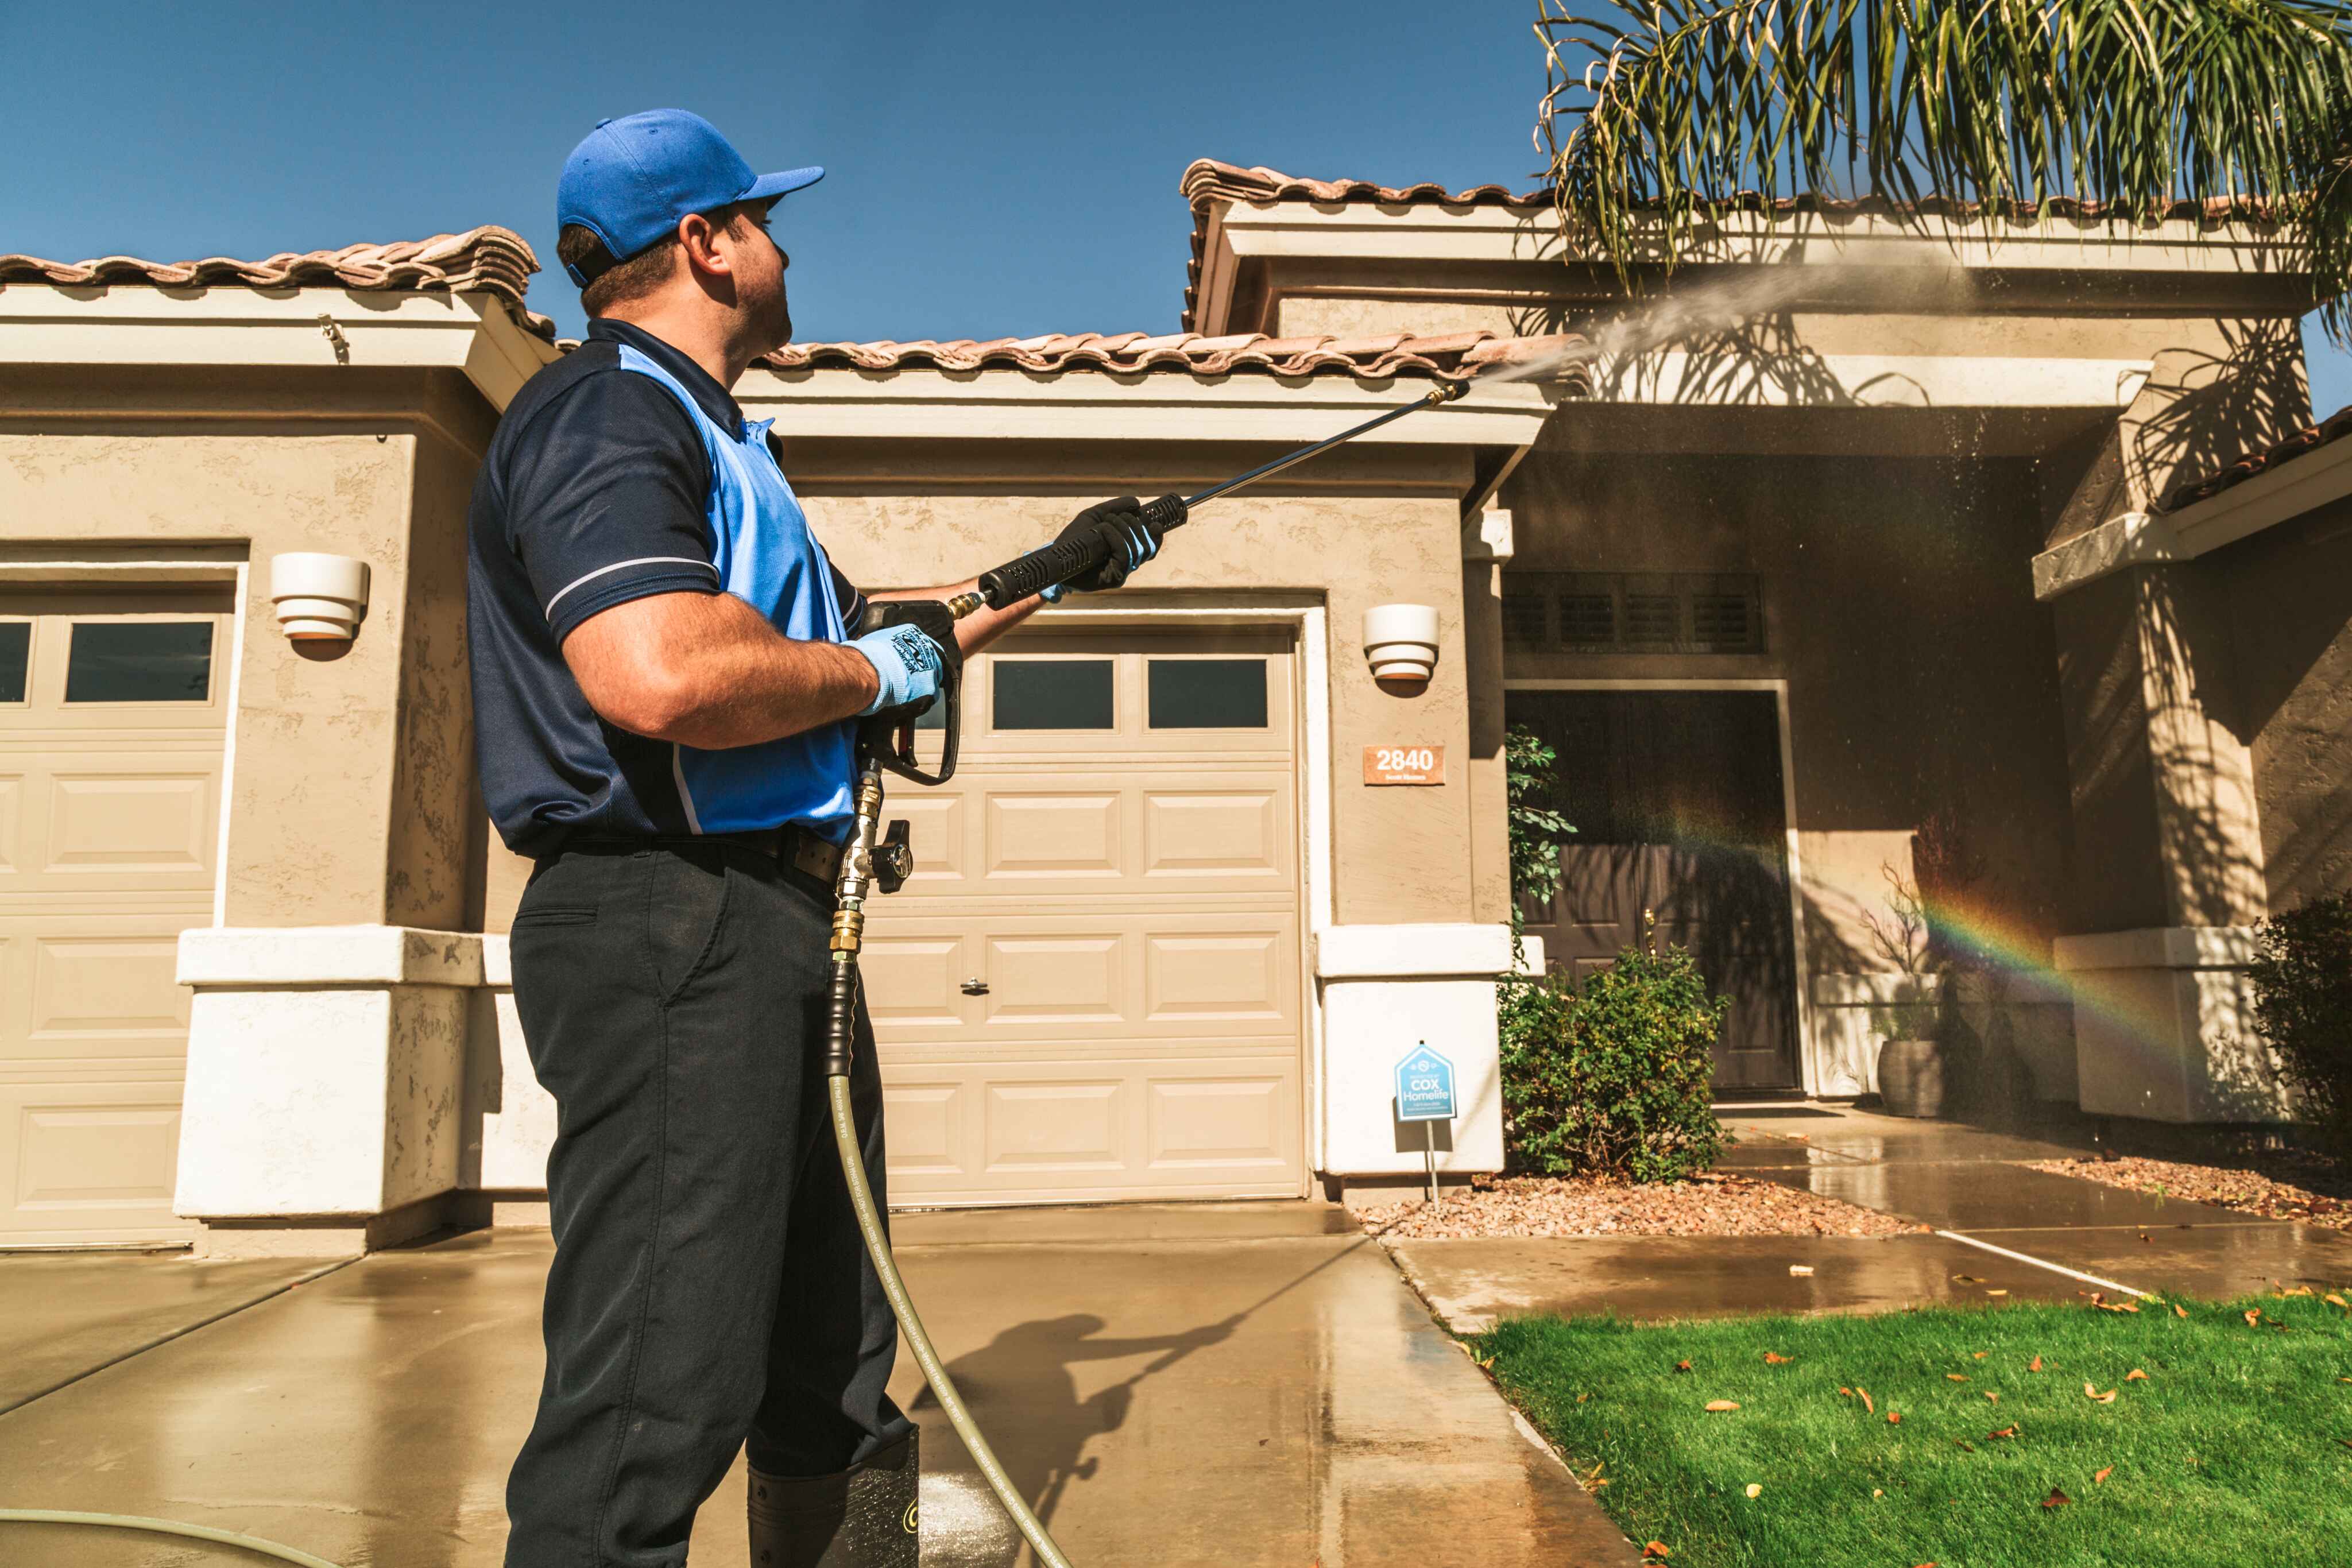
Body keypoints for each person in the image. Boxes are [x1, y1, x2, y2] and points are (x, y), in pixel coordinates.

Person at [466, 109, 1174, 1568]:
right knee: (656, 1392)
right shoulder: (607, 409)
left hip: (773, 932)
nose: (788, 249)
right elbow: (656, 669)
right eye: (767, 221)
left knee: (837, 1373)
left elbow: (865, 636)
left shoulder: (723, 445)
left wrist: (1055, 569)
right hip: (673, 924)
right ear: (704, 243)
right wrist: (872, 676)